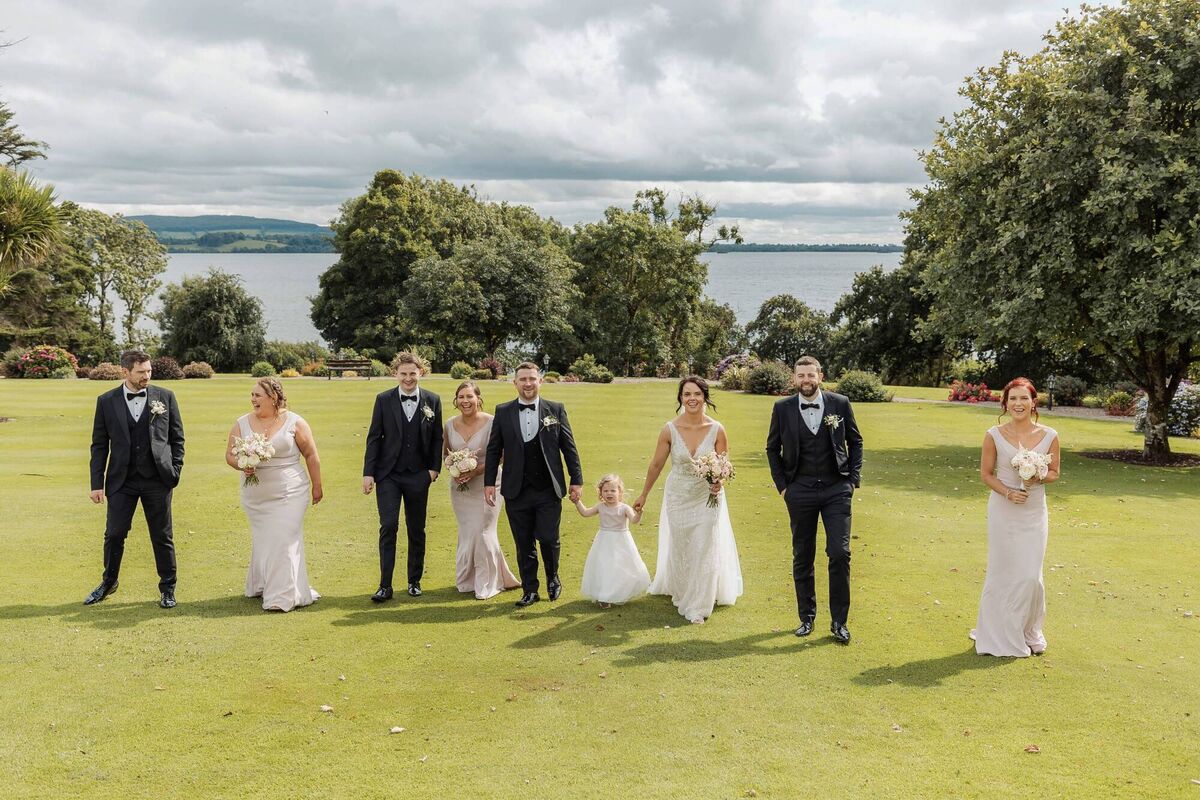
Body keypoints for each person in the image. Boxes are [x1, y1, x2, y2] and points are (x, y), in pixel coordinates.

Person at [766, 355, 863, 644]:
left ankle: (839, 622)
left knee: (839, 552)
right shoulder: (782, 408)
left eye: (811, 375)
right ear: (794, 378)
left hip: (836, 489)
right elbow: (772, 449)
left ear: (820, 375)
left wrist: (852, 480)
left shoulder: (840, 403)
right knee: (803, 554)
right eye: (801, 376)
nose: (806, 380)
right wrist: (784, 487)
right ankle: (806, 618)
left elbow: (855, 442)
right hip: (800, 490)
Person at [635, 376, 742, 624]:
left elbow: (724, 465)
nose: (691, 399)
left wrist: (719, 482)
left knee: (704, 546)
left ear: (704, 397)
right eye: (686, 394)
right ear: (681, 398)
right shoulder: (669, 429)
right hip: (678, 496)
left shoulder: (717, 429)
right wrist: (644, 494)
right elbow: (656, 465)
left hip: (708, 497)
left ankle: (698, 606)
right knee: (682, 546)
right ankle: (683, 590)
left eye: (696, 394)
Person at [85, 350, 184, 608]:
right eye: (141, 372)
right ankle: (109, 582)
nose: (147, 376)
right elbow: (99, 445)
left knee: (162, 536)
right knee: (114, 534)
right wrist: (97, 483)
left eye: (149, 371)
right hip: (121, 481)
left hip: (158, 479)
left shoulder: (165, 397)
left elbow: (177, 438)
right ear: (125, 372)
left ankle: (168, 588)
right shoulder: (106, 401)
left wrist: (175, 470)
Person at [972, 377, 1060, 657]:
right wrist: (1009, 493)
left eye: (1024, 398)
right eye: (1013, 399)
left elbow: (1055, 472)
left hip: (1034, 512)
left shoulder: (1050, 435)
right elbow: (986, 474)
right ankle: (1000, 633)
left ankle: (1028, 630)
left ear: (1034, 402)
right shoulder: (993, 434)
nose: (1018, 404)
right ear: (1005, 403)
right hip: (1003, 511)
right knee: (1003, 571)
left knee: (1030, 575)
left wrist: (1039, 474)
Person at [484, 361, 583, 608]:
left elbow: (568, 448)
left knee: (549, 538)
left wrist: (576, 480)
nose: (528, 383)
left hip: (548, 488)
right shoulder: (503, 411)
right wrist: (488, 483)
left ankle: (552, 577)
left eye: (532, 379)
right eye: (523, 379)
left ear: (540, 381)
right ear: (515, 382)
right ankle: (530, 589)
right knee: (523, 541)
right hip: (516, 489)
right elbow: (494, 449)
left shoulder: (555, 409)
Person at [226, 378, 322, 612]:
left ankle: (282, 596)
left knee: (283, 538)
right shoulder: (242, 423)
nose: (253, 399)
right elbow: (229, 455)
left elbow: (311, 454)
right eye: (252, 395)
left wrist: (317, 485)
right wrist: (242, 464)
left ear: (273, 398)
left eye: (258, 395)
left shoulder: (295, 422)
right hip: (256, 495)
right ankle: (262, 583)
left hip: (290, 492)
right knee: (266, 539)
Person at [362, 352, 443, 601]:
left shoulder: (433, 400)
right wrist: (369, 473)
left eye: (412, 373)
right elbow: (375, 437)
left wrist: (433, 470)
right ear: (395, 374)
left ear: (421, 373)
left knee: (417, 529)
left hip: (419, 475)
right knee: (388, 526)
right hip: (388, 475)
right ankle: (385, 585)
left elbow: (437, 437)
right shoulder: (384, 399)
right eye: (403, 373)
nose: (408, 378)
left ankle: (414, 581)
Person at [443, 380, 520, 600]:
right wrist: (455, 469)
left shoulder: (493, 422)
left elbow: (503, 455)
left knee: (483, 530)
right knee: (468, 532)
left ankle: (489, 581)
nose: (465, 401)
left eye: (470, 396)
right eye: (461, 397)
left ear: (479, 399)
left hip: (489, 484)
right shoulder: (449, 424)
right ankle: (468, 580)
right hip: (461, 488)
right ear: (456, 401)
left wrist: (477, 470)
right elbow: (445, 455)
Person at [576, 474, 650, 607]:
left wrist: (639, 513)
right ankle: (605, 596)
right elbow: (586, 513)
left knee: (621, 567)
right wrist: (577, 502)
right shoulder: (600, 507)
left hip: (622, 541)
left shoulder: (624, 508)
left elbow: (634, 520)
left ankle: (620, 592)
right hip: (604, 541)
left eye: (613, 490)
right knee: (605, 567)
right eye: (605, 491)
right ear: (601, 493)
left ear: (620, 492)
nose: (609, 493)